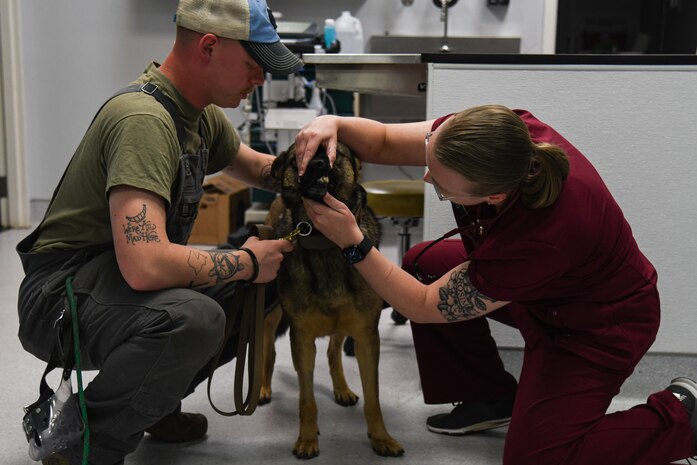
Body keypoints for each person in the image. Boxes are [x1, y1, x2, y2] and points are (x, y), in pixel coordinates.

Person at [296, 105, 697, 465]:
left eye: (440, 185)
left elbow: (422, 305)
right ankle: (488, 396)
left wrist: (352, 242)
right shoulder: (497, 137)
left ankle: (684, 419)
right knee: (423, 264)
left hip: (597, 326)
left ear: (495, 195)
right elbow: (383, 141)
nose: (426, 175)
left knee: (538, 459)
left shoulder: (544, 236)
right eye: (431, 159)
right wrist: (332, 122)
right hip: (542, 293)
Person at [16, 1, 298, 464]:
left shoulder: (197, 114)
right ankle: (82, 446)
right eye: (254, 65)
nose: (260, 80)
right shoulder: (144, 122)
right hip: (58, 296)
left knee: (261, 287)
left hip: (109, 284)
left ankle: (149, 406)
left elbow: (263, 170)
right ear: (209, 46)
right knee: (195, 316)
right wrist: (246, 263)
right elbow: (146, 266)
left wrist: (318, 158)